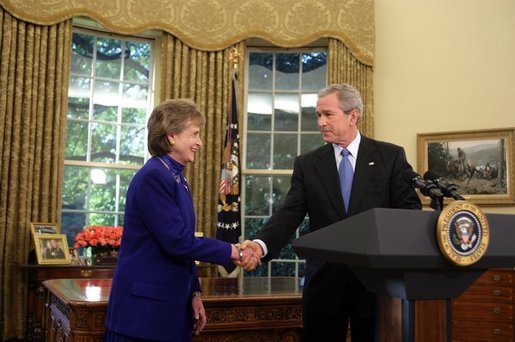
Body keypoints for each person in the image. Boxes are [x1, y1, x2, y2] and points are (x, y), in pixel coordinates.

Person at [240, 84, 422, 341]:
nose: (320, 122)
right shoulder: (308, 164)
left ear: (353, 116)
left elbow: (409, 212)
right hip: (325, 284)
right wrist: (260, 245)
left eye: (328, 114)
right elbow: (288, 214)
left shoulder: (389, 157)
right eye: (318, 115)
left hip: (375, 285)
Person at [104, 99, 260, 342]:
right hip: (144, 316)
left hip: (167, 309)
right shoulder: (154, 176)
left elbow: (182, 247)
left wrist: (194, 293)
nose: (200, 142)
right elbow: (177, 241)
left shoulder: (175, 177)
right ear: (172, 136)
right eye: (195, 134)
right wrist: (234, 251)